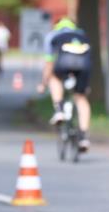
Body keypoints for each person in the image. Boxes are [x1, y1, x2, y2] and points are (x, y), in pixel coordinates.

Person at [37, 17, 92, 151]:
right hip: (84, 67)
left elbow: (49, 62)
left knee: (54, 78)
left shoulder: (53, 35)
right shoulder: (81, 34)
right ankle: (83, 137)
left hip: (63, 64)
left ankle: (59, 109)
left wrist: (44, 83)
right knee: (81, 98)